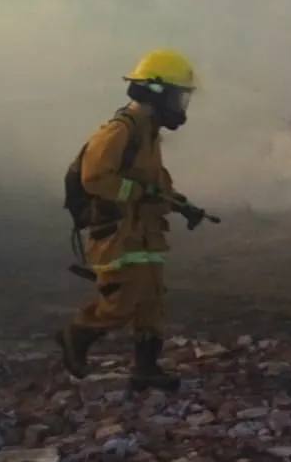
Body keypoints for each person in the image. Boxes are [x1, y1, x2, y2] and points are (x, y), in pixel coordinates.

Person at [55, 48, 206, 392]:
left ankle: (146, 367)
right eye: (177, 96)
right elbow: (95, 178)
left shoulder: (148, 132)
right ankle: (75, 337)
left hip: (145, 232)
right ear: (156, 92)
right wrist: (139, 194)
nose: (180, 106)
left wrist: (182, 205)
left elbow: (156, 182)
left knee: (151, 301)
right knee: (122, 301)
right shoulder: (120, 131)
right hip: (118, 233)